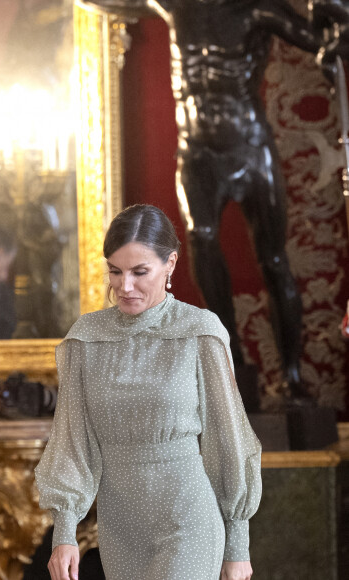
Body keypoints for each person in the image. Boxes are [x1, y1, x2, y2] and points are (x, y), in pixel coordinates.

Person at [83, 0, 349, 404]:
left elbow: (321, 42)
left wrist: (335, 16)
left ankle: (292, 377)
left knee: (274, 261)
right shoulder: (175, 5)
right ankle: (233, 360)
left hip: (249, 147)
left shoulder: (257, 8)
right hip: (198, 151)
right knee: (202, 239)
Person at [35, 204, 262, 580]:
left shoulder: (200, 331)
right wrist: (65, 534)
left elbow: (228, 438)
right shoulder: (86, 338)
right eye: (115, 271)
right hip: (120, 528)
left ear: (170, 264)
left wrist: (237, 545)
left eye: (140, 272)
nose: (125, 286)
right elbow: (71, 442)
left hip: (188, 519)